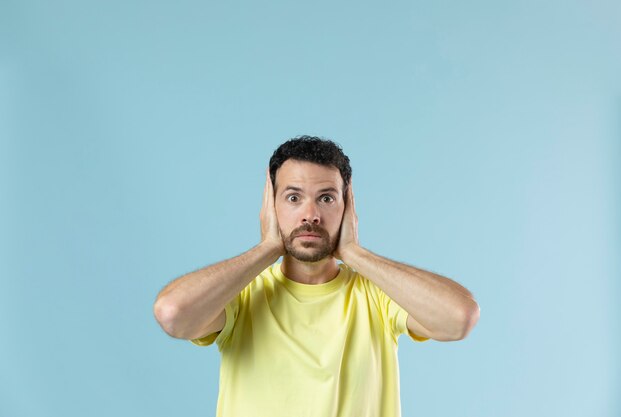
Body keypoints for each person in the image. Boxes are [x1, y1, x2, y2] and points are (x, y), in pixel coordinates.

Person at [153, 136, 480, 417]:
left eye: (326, 198)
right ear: (271, 206)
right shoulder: (241, 296)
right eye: (293, 197)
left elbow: (459, 317)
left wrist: (354, 252)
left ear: (347, 207)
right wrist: (268, 247)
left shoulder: (377, 296)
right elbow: (173, 314)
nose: (310, 214)